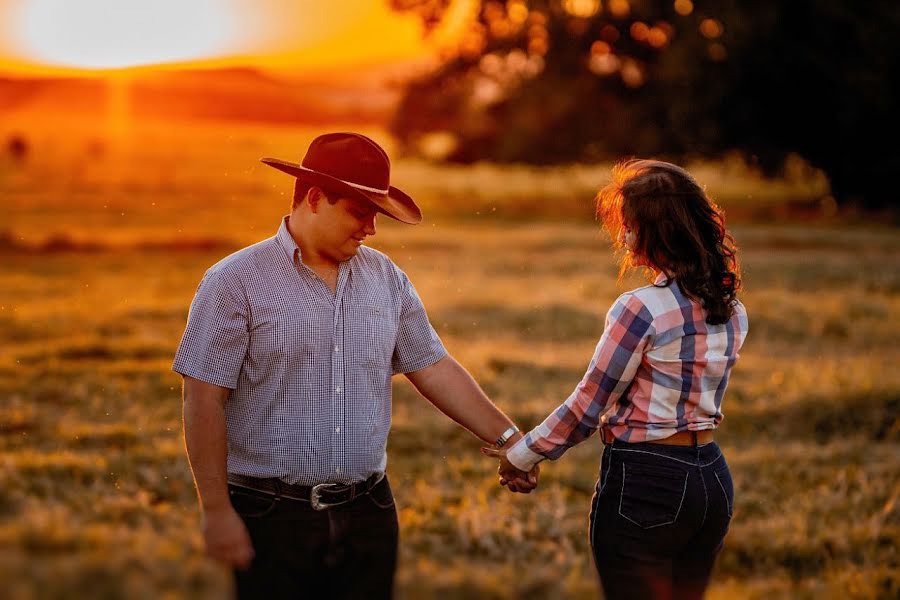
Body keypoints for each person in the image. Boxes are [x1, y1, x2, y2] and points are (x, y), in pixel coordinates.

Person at [173, 132, 537, 600]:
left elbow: (435, 368)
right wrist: (217, 512)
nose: (371, 229)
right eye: (360, 212)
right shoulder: (234, 281)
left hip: (370, 512)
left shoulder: (385, 278)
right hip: (269, 515)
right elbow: (202, 398)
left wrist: (512, 440)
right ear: (316, 198)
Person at [483, 159, 749, 600]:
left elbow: (590, 403)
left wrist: (522, 455)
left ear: (657, 231)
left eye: (629, 226)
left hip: (648, 481)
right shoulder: (732, 308)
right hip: (712, 480)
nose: (623, 238)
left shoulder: (640, 308)